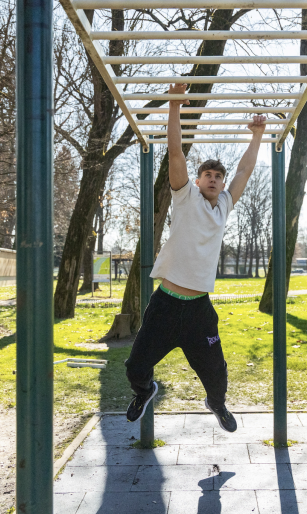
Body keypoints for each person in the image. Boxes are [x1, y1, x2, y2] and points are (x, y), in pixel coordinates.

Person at [125, 83, 267, 432]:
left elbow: (245, 171)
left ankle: (216, 404)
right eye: (208, 175)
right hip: (165, 305)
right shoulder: (185, 196)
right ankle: (145, 392)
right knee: (135, 368)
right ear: (198, 181)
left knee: (217, 375)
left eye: (218, 177)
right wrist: (175, 104)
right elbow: (175, 153)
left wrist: (257, 135)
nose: (214, 180)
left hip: (199, 311)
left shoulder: (225, 207)